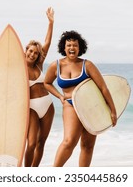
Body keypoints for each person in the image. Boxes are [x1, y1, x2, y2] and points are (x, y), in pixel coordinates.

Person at [0, 7, 55, 167]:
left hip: (48, 106)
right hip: (30, 108)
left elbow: (48, 43)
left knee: (41, 143)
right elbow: (3, 79)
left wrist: (51, 23)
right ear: (25, 51)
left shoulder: (39, 65)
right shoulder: (18, 68)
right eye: (30, 51)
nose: (32, 54)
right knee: (31, 144)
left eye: (35, 53)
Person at [43, 30, 117, 167]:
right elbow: (46, 83)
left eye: (75, 45)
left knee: (87, 145)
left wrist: (113, 110)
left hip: (90, 106)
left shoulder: (87, 65)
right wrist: (59, 96)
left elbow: (103, 88)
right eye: (69, 45)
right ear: (63, 47)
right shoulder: (56, 65)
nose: (72, 48)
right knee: (69, 141)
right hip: (70, 104)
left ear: (80, 47)